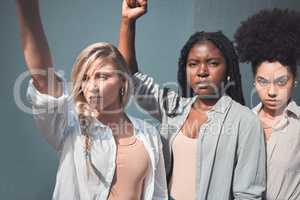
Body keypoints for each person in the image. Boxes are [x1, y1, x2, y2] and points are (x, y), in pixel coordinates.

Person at [16, 0, 167, 199]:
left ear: (123, 81)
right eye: (85, 78)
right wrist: (27, 9)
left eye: (102, 76)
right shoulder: (70, 126)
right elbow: (43, 78)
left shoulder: (149, 135)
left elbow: (157, 194)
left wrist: (126, 22)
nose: (91, 86)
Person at [118, 0, 266, 199]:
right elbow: (132, 77)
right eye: (193, 64)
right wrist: (128, 21)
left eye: (212, 63)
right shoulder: (174, 108)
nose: (202, 72)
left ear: (228, 70)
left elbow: (248, 195)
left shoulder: (245, 121)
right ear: (185, 70)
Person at [235, 8, 300, 200]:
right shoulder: (242, 123)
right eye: (263, 81)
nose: (272, 91)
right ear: (254, 81)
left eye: (281, 82)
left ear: (294, 81)